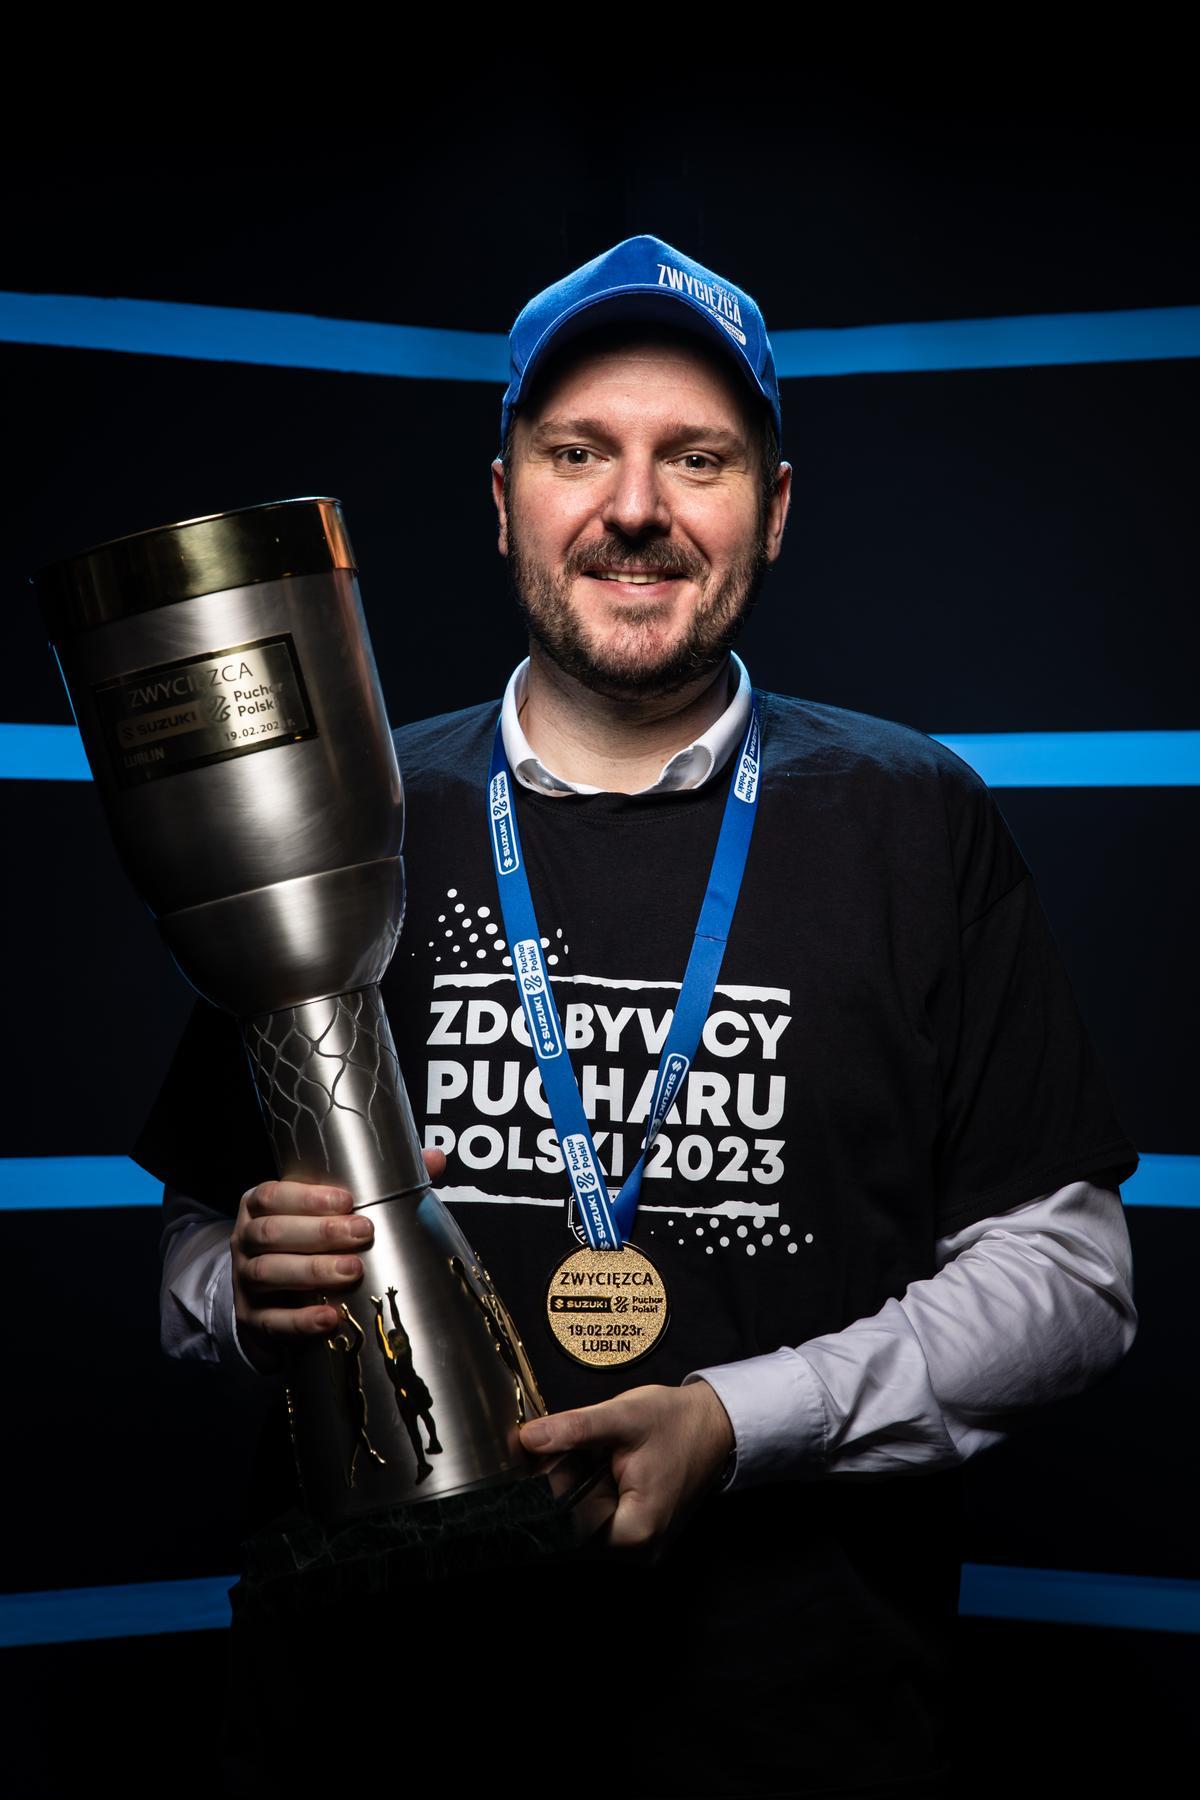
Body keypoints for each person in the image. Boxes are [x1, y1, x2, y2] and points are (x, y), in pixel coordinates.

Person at [136, 235, 1139, 1797]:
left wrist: (740, 1425)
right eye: (578, 451)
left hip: (793, 1731)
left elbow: (1072, 1277)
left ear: (776, 509)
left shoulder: (911, 815)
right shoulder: (346, 805)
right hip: (371, 1729)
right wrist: (237, 1291)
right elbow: (196, 1251)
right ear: (501, 498)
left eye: (700, 458)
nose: (635, 509)